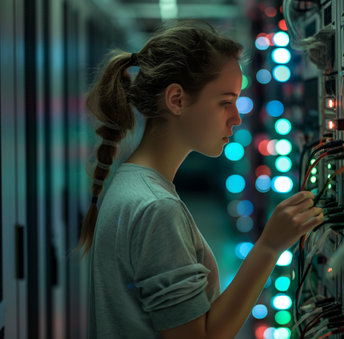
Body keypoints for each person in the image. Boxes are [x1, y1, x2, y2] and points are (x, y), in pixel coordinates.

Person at [78, 20, 324, 339]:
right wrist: (270, 247)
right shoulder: (157, 208)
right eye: (225, 102)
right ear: (176, 100)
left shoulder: (130, 183)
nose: (236, 118)